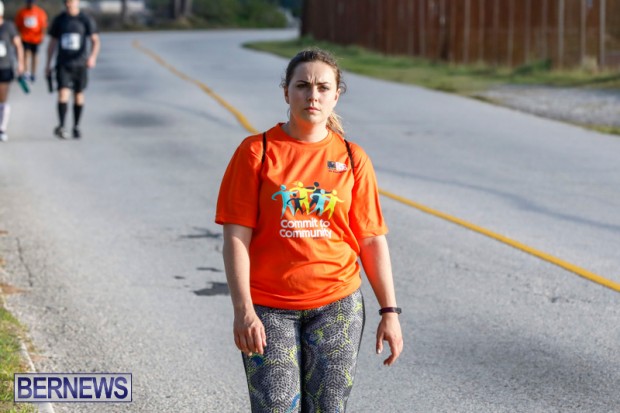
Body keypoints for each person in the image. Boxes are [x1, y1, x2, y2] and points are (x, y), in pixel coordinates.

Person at [215, 48, 403, 412]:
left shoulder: (352, 158)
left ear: (336, 95)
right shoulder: (256, 152)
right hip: (269, 308)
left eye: (322, 87)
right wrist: (243, 310)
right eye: (302, 86)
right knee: (277, 407)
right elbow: (236, 239)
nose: (312, 95)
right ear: (286, 93)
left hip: (337, 305)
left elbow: (370, 239)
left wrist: (389, 312)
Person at [45, 0, 99, 140]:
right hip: (63, 63)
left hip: (80, 64)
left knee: (78, 94)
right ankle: (62, 126)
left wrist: (92, 57)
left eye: (72, 1)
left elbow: (95, 40)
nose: (69, 4)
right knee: (63, 93)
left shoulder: (85, 19)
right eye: (67, 2)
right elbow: (52, 43)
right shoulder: (60, 20)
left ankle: (76, 126)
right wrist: (48, 64)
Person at [0, 0, 25, 142]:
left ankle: (2, 128)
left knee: (2, 97)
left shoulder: (8, 27)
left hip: (4, 67)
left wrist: (20, 64)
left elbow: (18, 45)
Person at [14, 0, 47, 82]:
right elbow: (18, 25)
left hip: (36, 38)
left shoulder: (40, 12)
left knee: (35, 55)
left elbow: (43, 25)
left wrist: (42, 35)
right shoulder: (22, 12)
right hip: (25, 37)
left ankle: (33, 73)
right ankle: (26, 72)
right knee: (26, 54)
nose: (30, 4)